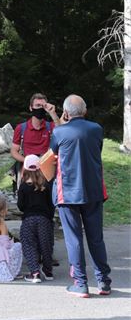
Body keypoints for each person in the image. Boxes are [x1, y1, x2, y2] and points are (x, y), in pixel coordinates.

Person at [44, 95, 111, 297]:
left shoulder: (59, 132)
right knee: (96, 238)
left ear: (65, 113)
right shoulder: (96, 129)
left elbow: (52, 154)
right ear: (85, 111)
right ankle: (103, 281)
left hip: (68, 193)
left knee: (73, 239)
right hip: (93, 191)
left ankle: (81, 283)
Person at [10, 92, 60, 191]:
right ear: (31, 107)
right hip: (27, 171)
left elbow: (62, 132)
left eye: (43, 106)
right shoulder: (21, 128)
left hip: (46, 171)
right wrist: (27, 160)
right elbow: (14, 151)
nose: (40, 108)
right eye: (37, 105)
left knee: (47, 197)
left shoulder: (50, 127)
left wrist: (53, 113)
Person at [17, 156, 55, 283]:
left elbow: (21, 206)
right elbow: (51, 204)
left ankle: (35, 273)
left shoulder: (23, 186)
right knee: (46, 245)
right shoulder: (46, 185)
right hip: (44, 219)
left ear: (25, 169)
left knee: (29, 244)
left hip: (29, 219)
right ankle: (48, 271)